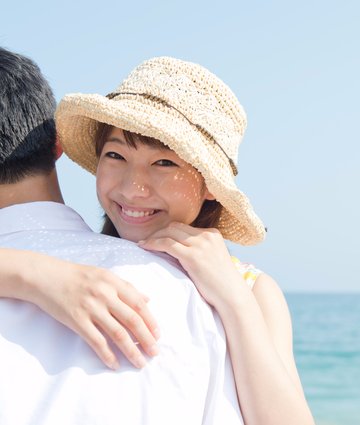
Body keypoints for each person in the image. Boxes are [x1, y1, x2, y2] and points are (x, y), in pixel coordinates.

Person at [1, 51, 315, 424]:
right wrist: (36, 273)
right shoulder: (71, 254)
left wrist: (233, 300)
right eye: (116, 155)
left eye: (164, 163)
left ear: (211, 184)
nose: (133, 189)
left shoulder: (250, 287)